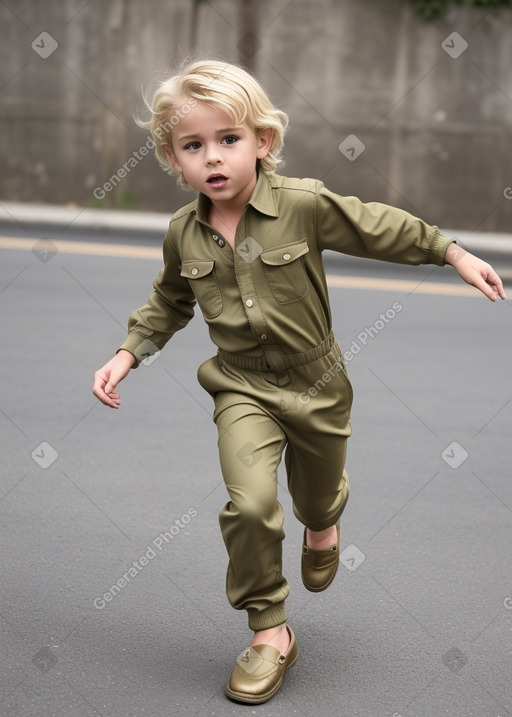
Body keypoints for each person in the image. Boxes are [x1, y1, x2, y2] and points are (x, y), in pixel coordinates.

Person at [93, 59, 506, 705]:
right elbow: (168, 300)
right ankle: (269, 631)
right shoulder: (183, 232)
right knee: (250, 504)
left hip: (317, 385)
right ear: (174, 160)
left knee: (314, 498)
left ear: (262, 141)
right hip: (239, 386)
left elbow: (380, 225)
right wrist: (127, 353)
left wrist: (453, 252)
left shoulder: (303, 205)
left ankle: (323, 523)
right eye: (193, 146)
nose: (213, 157)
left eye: (228, 138)